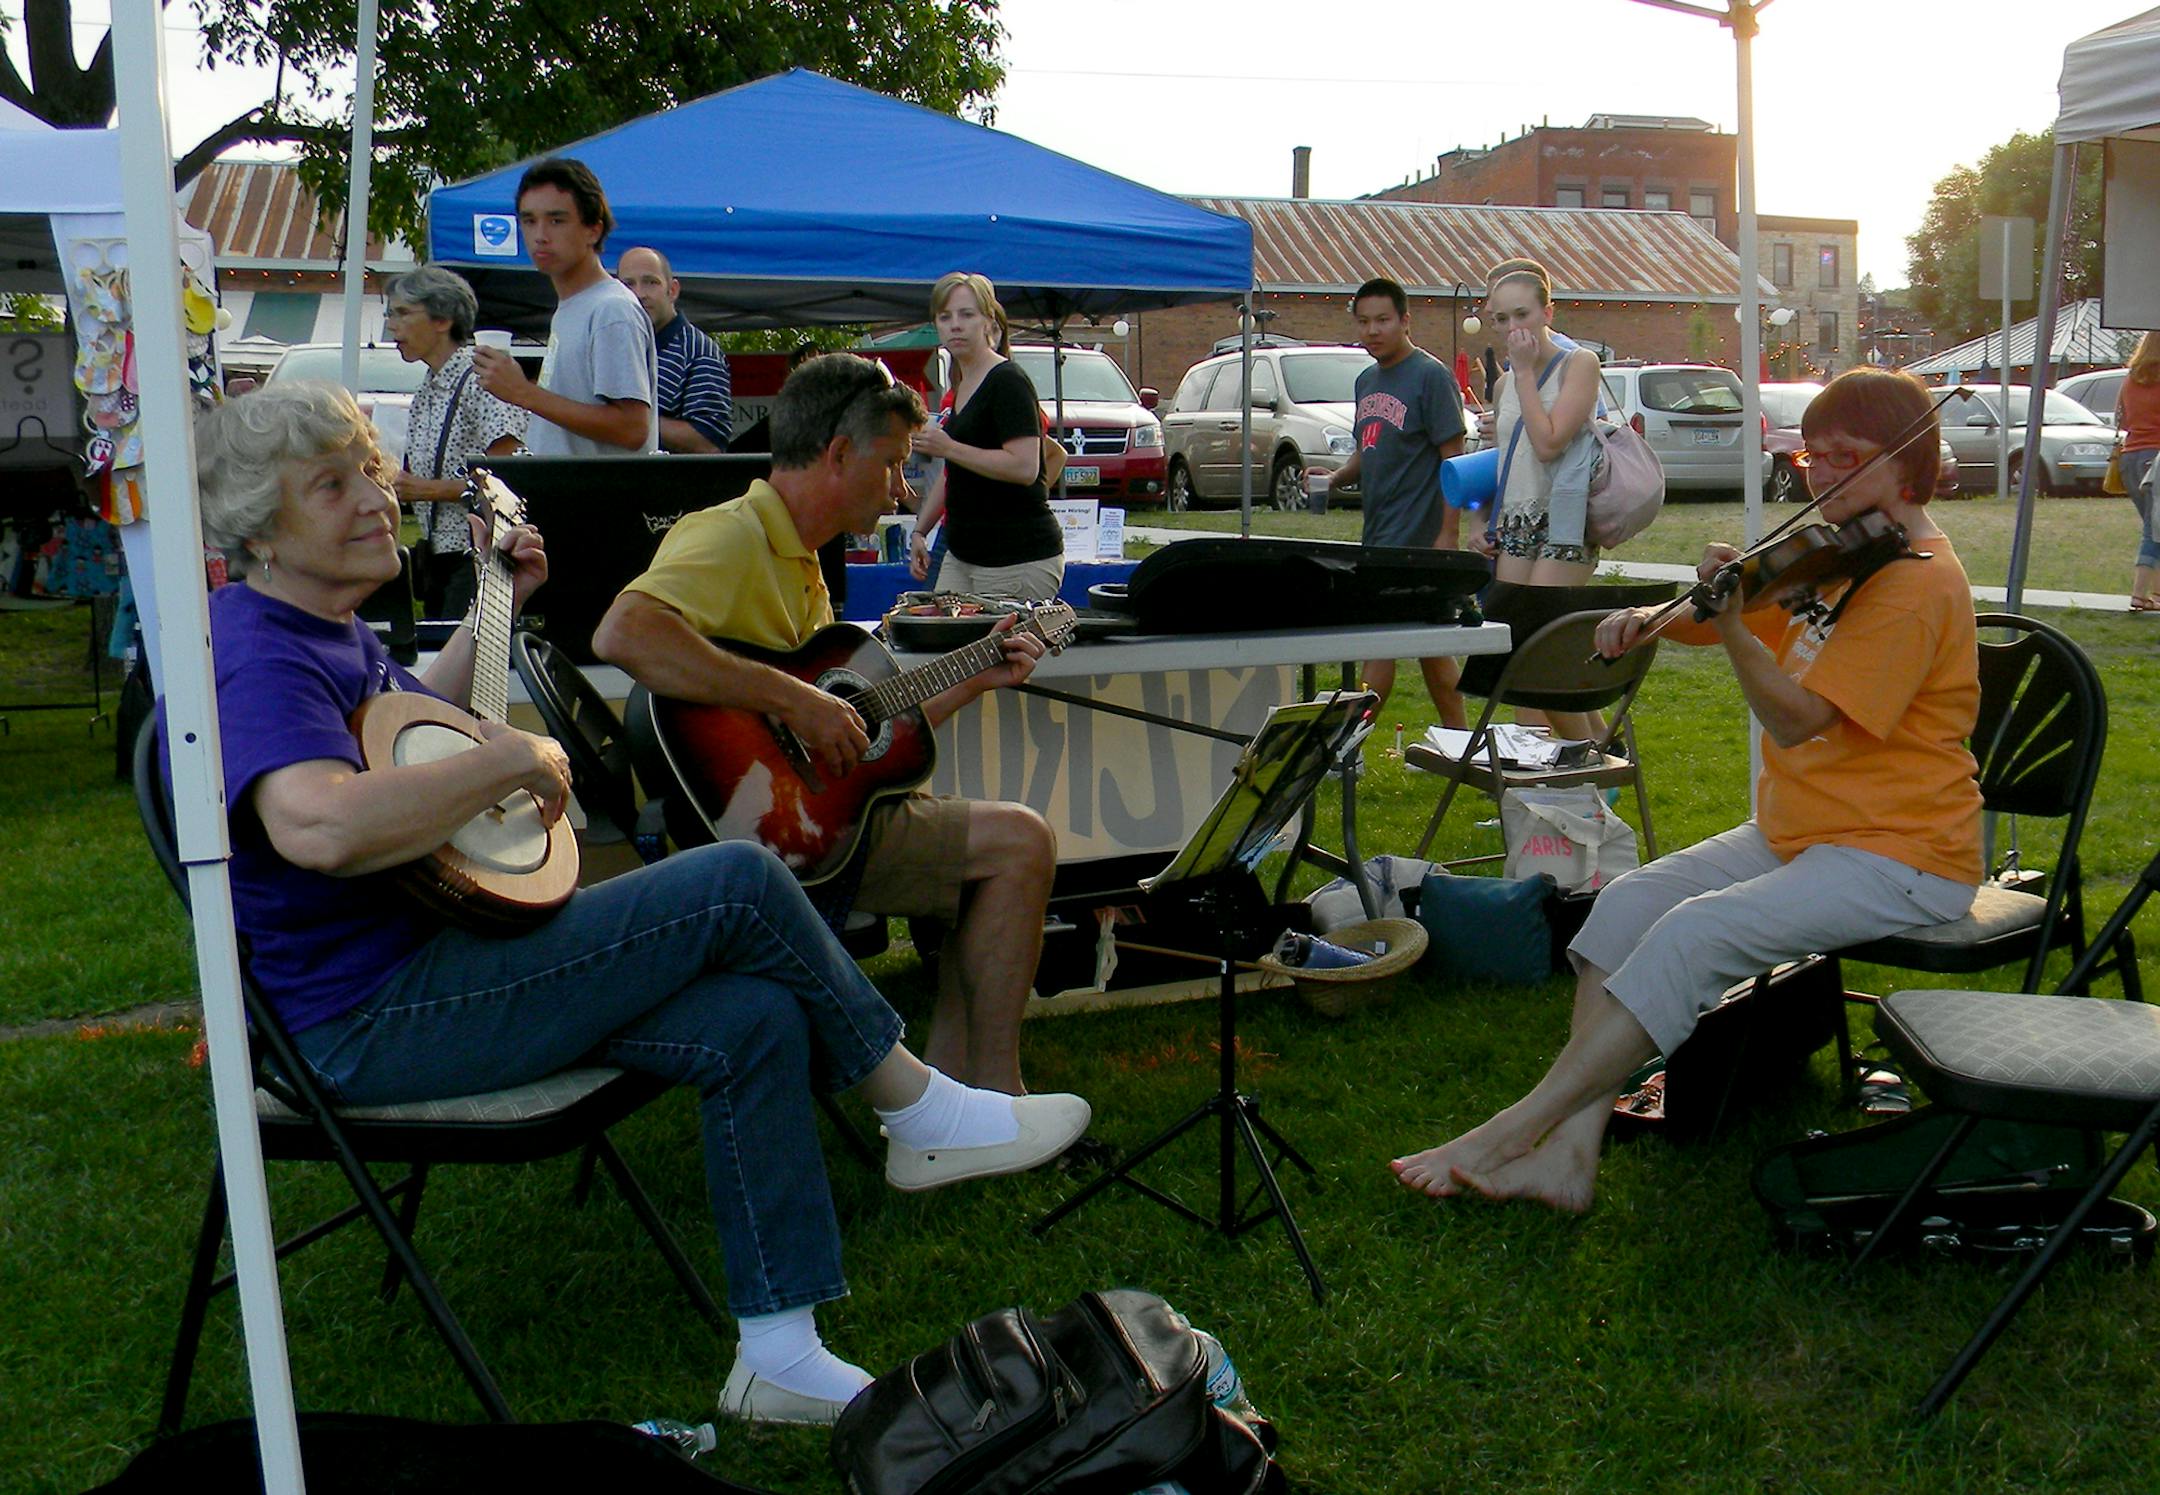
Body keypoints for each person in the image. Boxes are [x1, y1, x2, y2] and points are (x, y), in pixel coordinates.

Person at [179, 380, 1090, 1426]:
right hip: (362, 1019)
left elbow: (408, 721)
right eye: (331, 487)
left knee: (751, 1014)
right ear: (258, 525)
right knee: (738, 880)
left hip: (433, 963)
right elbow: (320, 824)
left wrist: (500, 605)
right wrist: (513, 755)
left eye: (374, 474)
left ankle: (779, 1353)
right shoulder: (257, 651)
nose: (376, 500)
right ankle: (916, 1105)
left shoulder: (323, 625)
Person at [1391, 367, 1982, 1213]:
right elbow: (1713, 618)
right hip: (1806, 832)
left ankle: (1517, 1129)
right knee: (1623, 909)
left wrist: (1736, 623)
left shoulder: (1916, 579)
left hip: (1902, 853)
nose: (1819, 475)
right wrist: (1656, 616)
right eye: (1811, 455)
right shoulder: (1836, 550)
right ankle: (1572, 1157)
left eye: (1843, 457)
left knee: (1694, 933)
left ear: (1905, 460)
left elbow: (1794, 718)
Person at [594, 354, 1061, 1096]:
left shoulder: (803, 556)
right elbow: (624, 634)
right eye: (893, 464)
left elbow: (864, 733)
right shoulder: (732, 534)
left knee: (996, 849)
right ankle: (1001, 1096)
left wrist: (975, 676)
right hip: (775, 843)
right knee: (1023, 843)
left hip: (816, 821)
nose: (905, 490)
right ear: (840, 453)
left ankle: (954, 1082)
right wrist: (792, 699)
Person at [1469, 260, 1608, 741]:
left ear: (1548, 312)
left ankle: (1594, 760)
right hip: (1514, 524)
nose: (1512, 328)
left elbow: (1550, 443)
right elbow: (1502, 460)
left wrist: (1525, 374)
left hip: (1566, 521)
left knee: (1541, 654)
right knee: (1516, 659)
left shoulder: (1579, 365)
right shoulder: (1505, 382)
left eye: (1522, 315)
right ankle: (1553, 777)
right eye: (1501, 319)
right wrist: (1477, 520)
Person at [1326, 276, 1468, 728]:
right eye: (1364, 321)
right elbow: (1366, 451)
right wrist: (1334, 479)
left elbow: (1454, 461)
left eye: (1383, 320)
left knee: (1383, 644)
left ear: (1406, 320)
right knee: (1430, 649)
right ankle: (1461, 743)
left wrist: (1449, 533)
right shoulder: (1367, 380)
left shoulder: (1430, 376)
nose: (1372, 330)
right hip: (1378, 537)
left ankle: (1345, 747)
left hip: (1420, 540)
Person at [475, 157, 657, 456]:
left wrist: (524, 392)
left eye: (556, 220)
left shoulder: (612, 310)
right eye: (529, 220)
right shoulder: (574, 307)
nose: (540, 236)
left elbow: (633, 428)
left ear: (593, 231)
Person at [906, 272, 1064, 601]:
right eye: (945, 317)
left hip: (1016, 557)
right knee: (945, 643)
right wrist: (921, 529)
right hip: (963, 555)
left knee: (994, 651)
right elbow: (953, 473)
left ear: (988, 321)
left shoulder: (1007, 380)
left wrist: (949, 446)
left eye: (967, 314)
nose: (956, 325)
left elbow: (1024, 467)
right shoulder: (961, 384)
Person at [383, 265, 528, 619]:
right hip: (439, 560)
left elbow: (508, 481)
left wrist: (428, 490)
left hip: (480, 557)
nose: (391, 325)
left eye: (402, 313)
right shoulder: (426, 390)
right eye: (390, 313)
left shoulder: (483, 381)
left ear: (442, 319)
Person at [617, 246, 732, 454]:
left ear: (672, 290)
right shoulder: (613, 346)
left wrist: (631, 421)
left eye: (651, 282)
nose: (639, 294)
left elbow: (708, 443)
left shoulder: (699, 350)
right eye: (628, 284)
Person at [2113, 332, 2160, 611]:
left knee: (2155, 528)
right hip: (2157, 457)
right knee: (2153, 530)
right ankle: (2140, 593)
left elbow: (2122, 418)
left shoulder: (2131, 379)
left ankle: (2156, 593)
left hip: (2130, 456)